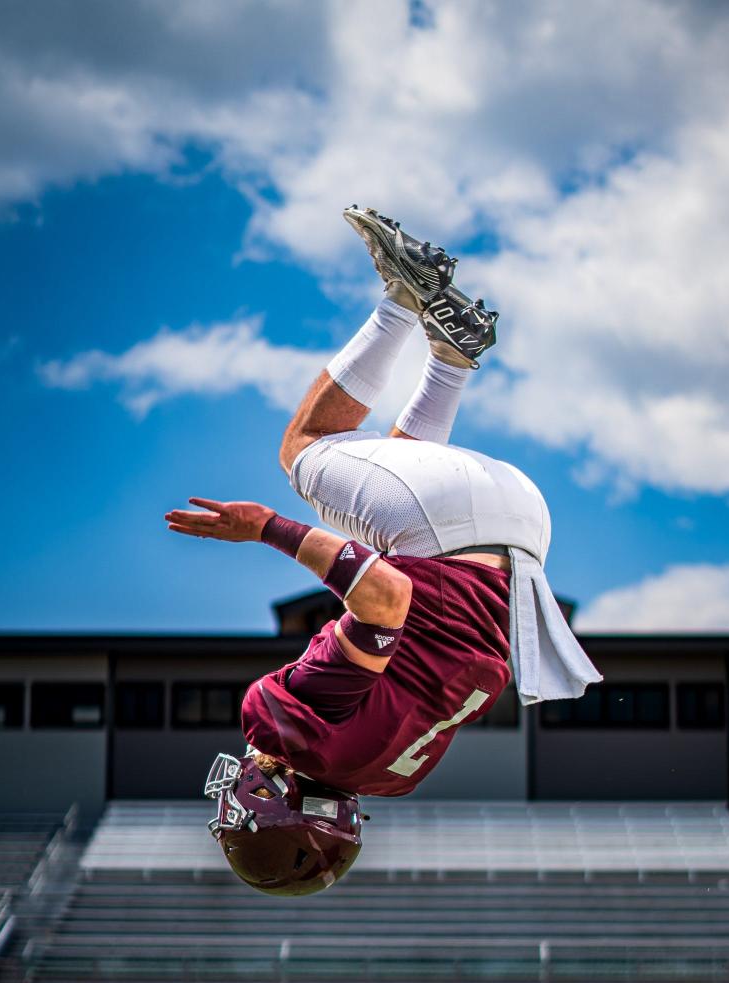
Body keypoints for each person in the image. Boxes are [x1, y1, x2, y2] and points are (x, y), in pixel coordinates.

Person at [166, 207, 601, 896]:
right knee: (303, 449)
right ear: (277, 806)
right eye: (246, 809)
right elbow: (385, 598)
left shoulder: (393, 775)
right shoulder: (290, 727)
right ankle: (403, 295)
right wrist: (267, 528)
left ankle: (452, 356)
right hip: (451, 524)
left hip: (520, 539)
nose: (237, 791)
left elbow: (409, 617)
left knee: (380, 502)